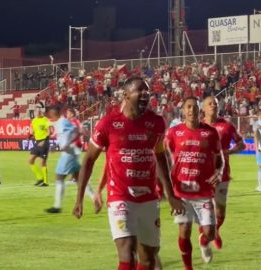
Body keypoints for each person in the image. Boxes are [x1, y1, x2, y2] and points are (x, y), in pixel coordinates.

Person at [72, 76, 185, 270]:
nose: (145, 94)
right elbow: (89, 160)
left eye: (147, 92)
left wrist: (171, 194)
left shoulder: (156, 123)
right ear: (125, 94)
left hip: (149, 198)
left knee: (148, 258)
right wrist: (79, 198)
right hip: (120, 197)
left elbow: (160, 159)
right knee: (127, 253)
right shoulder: (108, 124)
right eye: (140, 90)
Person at [166, 96, 223, 269]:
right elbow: (165, 160)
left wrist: (219, 172)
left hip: (203, 192)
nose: (192, 110)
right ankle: (188, 267)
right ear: (183, 110)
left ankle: (204, 242)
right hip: (181, 192)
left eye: (195, 107)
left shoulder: (210, 132)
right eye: (188, 107)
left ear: (200, 110)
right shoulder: (174, 132)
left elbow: (219, 157)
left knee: (210, 233)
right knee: (184, 230)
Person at [202, 96, 245, 249]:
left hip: (222, 172)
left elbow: (242, 144)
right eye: (210, 103)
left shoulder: (226, 126)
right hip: (201, 174)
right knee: (205, 207)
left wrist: (228, 152)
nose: (213, 105)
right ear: (203, 109)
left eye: (215, 103)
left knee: (220, 210)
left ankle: (215, 231)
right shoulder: (197, 126)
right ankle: (205, 234)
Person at [45, 107, 81, 213]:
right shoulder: (59, 123)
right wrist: (55, 145)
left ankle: (57, 206)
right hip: (70, 153)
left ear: (53, 113)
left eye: (50, 113)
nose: (49, 116)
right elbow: (63, 138)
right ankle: (94, 198)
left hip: (68, 154)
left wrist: (68, 143)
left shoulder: (62, 122)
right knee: (80, 180)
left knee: (59, 177)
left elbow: (77, 131)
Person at [29, 107, 51, 187]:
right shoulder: (34, 121)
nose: (36, 113)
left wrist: (45, 140)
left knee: (43, 163)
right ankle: (40, 178)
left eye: (37, 111)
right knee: (30, 160)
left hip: (44, 142)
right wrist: (30, 133)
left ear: (40, 112)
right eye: (35, 112)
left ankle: (45, 182)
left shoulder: (45, 119)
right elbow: (31, 131)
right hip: (37, 142)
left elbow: (49, 131)